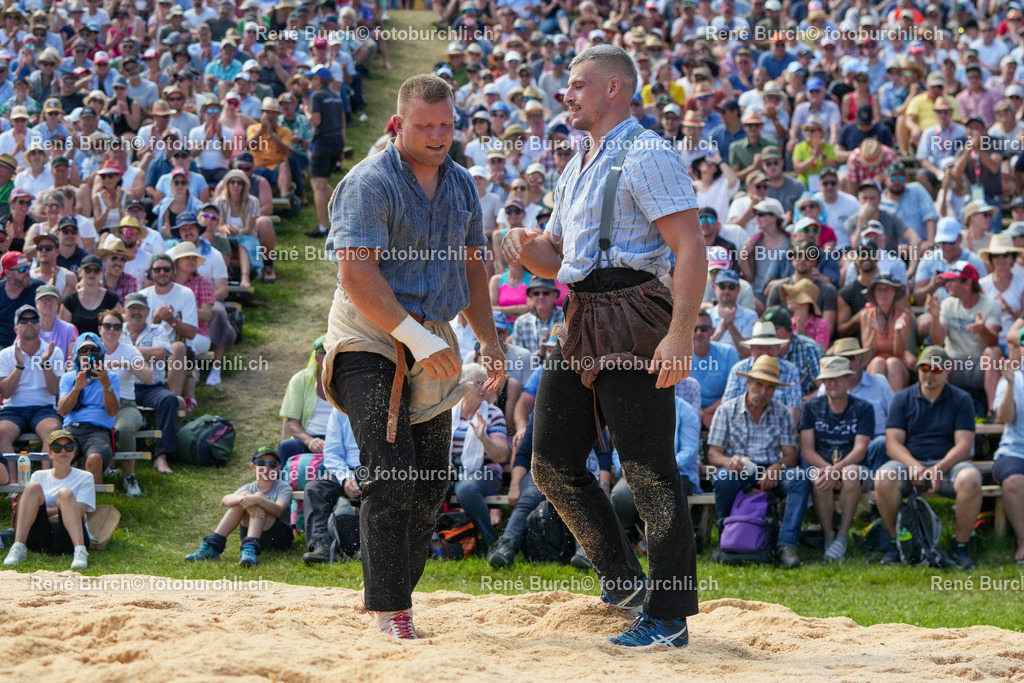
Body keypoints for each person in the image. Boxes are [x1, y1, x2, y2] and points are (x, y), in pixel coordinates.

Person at [502, 45, 702, 647]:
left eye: (578, 84)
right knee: (552, 460)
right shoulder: (577, 162)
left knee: (648, 471)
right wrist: (523, 246)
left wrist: (680, 334)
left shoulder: (647, 152)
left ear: (616, 88)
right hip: (581, 310)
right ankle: (622, 581)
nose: (567, 94)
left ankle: (668, 618)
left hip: (636, 313)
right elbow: (558, 258)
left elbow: (690, 247)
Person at [323, 74, 504, 640]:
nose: (437, 135)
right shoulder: (369, 182)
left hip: (434, 333)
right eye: (425, 125)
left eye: (446, 124)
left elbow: (474, 267)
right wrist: (415, 337)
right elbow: (356, 273)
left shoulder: (461, 185)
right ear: (396, 125)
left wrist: (490, 342)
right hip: (366, 332)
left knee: (429, 485)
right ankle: (390, 610)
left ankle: (390, 592)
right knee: (392, 475)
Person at [875, 346, 981, 569]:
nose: (929, 373)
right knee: (884, 476)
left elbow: (964, 445)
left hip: (948, 464)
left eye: (936, 368)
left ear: (947, 370)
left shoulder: (961, 399)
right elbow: (892, 443)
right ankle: (898, 542)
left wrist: (938, 468)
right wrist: (914, 466)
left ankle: (961, 545)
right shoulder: (902, 398)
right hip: (910, 463)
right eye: (924, 368)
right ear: (917, 369)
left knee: (971, 478)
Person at [707, 355, 809, 568]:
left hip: (771, 468)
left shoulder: (781, 412)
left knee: (799, 477)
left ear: (774, 390)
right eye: (759, 384)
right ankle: (726, 536)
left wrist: (778, 466)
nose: (763, 392)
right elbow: (713, 453)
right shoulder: (726, 409)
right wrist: (729, 461)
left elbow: (791, 454)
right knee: (723, 477)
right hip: (739, 469)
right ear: (748, 383)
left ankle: (786, 545)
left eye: (770, 387)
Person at [800, 356, 873, 561]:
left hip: (854, 466)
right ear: (822, 382)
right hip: (821, 464)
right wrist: (829, 470)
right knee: (820, 478)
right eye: (828, 379)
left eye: (838, 378)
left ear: (849, 381)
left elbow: (860, 449)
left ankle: (842, 534)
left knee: (850, 474)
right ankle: (828, 536)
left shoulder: (863, 408)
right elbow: (807, 450)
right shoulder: (811, 407)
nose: (832, 383)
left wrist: (837, 469)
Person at [184, 446, 293, 566]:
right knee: (242, 498)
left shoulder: (283, 487)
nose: (266, 468)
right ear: (253, 467)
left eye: (272, 464)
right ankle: (213, 546)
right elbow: (225, 500)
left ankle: (251, 548)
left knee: (257, 497)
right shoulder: (248, 487)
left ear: (278, 468)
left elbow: (278, 510)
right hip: (250, 534)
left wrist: (258, 500)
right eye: (261, 463)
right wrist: (245, 499)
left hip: (278, 538)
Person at [2, 430, 94, 570]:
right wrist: (62, 509)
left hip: (69, 537)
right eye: (57, 448)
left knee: (65, 494)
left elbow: (79, 512)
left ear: (73, 452)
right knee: (32, 487)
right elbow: (27, 509)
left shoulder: (86, 477)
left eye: (68, 447)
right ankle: (18, 547)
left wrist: (41, 511)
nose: (63, 451)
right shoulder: (38, 475)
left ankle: (80, 551)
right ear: (50, 453)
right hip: (41, 536)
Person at [448, 363, 510, 549]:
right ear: (464, 385)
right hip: (451, 471)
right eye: (478, 383)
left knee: (466, 489)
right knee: (427, 482)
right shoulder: (449, 411)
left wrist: (483, 438)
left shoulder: (493, 413)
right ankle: (435, 541)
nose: (484, 388)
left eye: (486, 383)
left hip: (486, 472)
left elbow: (501, 456)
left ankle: (491, 541)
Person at [0, 304, 64, 471]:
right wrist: (19, 366)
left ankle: (46, 483)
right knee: (1, 433)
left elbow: (55, 391)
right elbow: (5, 392)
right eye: (24, 320)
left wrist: (45, 363)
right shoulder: (5, 354)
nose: (29, 323)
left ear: (40, 326)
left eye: (34, 319)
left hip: (44, 408)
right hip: (13, 409)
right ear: (16, 328)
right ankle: (13, 487)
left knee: (53, 431)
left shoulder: (53, 352)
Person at [121, 293, 180, 475]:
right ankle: (109, 456)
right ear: (124, 311)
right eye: (132, 308)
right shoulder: (115, 328)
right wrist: (145, 353)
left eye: (140, 308)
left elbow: (161, 353)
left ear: (147, 311)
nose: (136, 312)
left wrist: (125, 351)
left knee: (169, 399)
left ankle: (161, 456)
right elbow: (107, 350)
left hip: (150, 387)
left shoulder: (158, 329)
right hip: (122, 387)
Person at [97, 308, 151, 498]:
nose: (112, 330)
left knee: (124, 427)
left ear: (122, 330)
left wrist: (125, 364)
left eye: (117, 326)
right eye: (107, 325)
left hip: (125, 404)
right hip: (97, 404)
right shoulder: (91, 350)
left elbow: (148, 376)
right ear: (99, 329)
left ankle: (130, 477)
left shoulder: (129, 351)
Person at [57, 333, 120, 486]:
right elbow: (63, 411)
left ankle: (94, 505)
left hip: (99, 430)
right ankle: (60, 498)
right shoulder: (69, 378)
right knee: (59, 452)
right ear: (77, 356)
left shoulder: (111, 378)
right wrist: (76, 389)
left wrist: (106, 385)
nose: (87, 354)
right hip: (73, 428)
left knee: (94, 459)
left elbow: (112, 412)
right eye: (83, 351)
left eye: (93, 350)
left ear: (101, 355)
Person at [302, 408, 362, 564]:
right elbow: (332, 453)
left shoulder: (384, 405)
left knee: (382, 487)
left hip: (375, 469)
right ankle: (320, 544)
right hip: (345, 469)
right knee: (315, 489)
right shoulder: (339, 411)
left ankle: (369, 545)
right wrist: (345, 477)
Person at [305, 67, 346, 239]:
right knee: (318, 184)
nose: (309, 81)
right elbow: (343, 123)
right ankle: (346, 208)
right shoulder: (336, 96)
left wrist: (305, 110)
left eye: (312, 78)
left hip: (323, 142)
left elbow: (316, 121)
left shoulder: (317, 96)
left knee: (319, 184)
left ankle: (323, 228)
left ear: (319, 80)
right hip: (337, 141)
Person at [993, 342, 1024, 563]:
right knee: (1013, 481)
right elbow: (1006, 417)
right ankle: (1023, 542)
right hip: (1015, 449)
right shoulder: (1010, 378)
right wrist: (1011, 385)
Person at [279, 336, 333, 461]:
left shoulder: (348, 382)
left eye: (334, 352)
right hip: (309, 437)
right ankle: (282, 480)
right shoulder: (299, 380)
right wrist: (310, 441)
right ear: (317, 358)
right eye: (325, 353)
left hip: (340, 439)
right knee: (287, 446)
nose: (331, 357)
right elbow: (291, 422)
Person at [860, 274, 915, 392]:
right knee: (878, 361)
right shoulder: (866, 314)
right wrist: (874, 331)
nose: (883, 294)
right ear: (874, 293)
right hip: (875, 363)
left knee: (892, 363)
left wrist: (897, 332)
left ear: (894, 292)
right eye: (879, 289)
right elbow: (868, 352)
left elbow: (899, 352)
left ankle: (895, 407)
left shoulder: (904, 315)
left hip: (898, 366)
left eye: (887, 289)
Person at [60, 254, 122, 335]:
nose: (92, 273)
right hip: (76, 346)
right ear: (80, 272)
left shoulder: (112, 299)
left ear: (102, 272)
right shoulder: (69, 301)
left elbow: (117, 329)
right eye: (88, 270)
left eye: (96, 270)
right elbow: (65, 334)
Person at [508, 278, 564, 353]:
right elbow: (520, 357)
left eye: (546, 293)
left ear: (555, 295)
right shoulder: (521, 322)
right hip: (530, 364)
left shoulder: (565, 317)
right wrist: (539, 354)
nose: (541, 297)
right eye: (536, 293)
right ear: (531, 296)